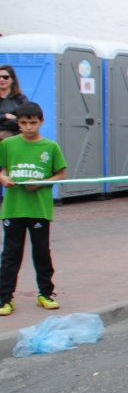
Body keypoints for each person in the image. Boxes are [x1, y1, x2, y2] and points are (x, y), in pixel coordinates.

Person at [0, 102, 67, 316]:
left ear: (41, 122)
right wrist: (3, 178)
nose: (29, 127)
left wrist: (42, 183)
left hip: (39, 208)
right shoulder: (8, 144)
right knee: (11, 253)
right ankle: (5, 298)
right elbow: (2, 170)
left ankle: (46, 294)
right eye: (24, 123)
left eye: (33, 123)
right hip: (13, 208)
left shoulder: (50, 147)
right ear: (18, 123)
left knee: (41, 252)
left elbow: (60, 174)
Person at [0, 65, 28, 142]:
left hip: (14, 137)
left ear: (12, 79)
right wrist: (5, 116)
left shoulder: (20, 99)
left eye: (5, 77)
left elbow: (24, 120)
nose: (2, 79)